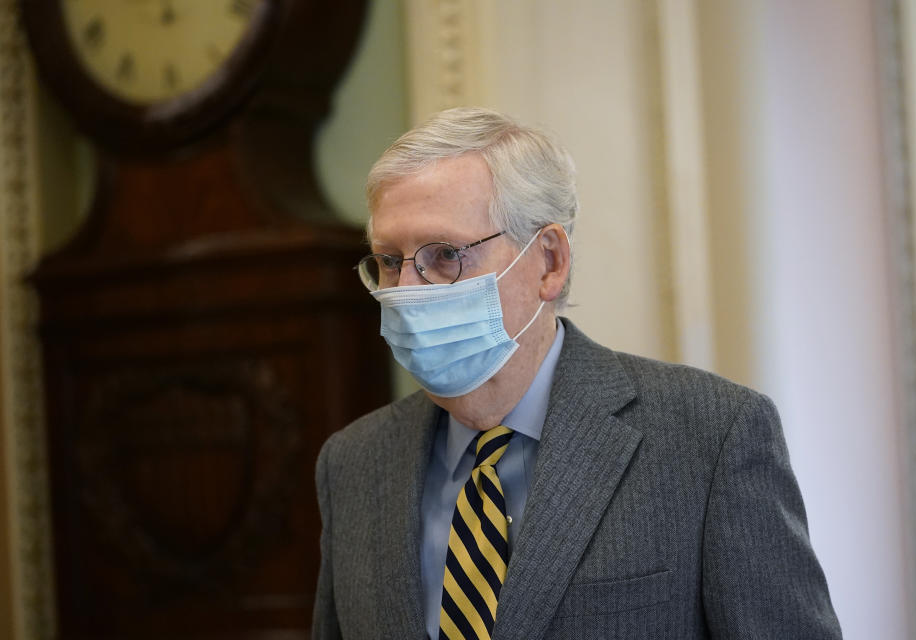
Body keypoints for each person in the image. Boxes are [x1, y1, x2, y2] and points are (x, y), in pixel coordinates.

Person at [312, 107, 842, 640]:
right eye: (388, 260)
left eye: (444, 255)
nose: (407, 290)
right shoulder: (353, 463)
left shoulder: (710, 437)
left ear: (548, 261)